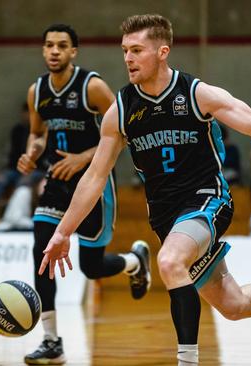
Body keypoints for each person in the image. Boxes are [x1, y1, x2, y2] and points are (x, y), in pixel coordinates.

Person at [37, 15, 251, 365]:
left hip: (207, 199)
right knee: (234, 305)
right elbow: (93, 178)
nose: (128, 58)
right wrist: (63, 232)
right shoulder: (121, 111)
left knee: (168, 261)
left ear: (162, 51)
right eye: (125, 51)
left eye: (137, 50)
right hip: (167, 218)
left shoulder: (196, 94)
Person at [18, 24, 151, 365]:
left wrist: (82, 157)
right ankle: (51, 340)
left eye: (62, 46)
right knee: (42, 250)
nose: (54, 51)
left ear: (73, 51)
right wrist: (32, 152)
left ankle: (136, 262)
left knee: (91, 267)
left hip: (94, 183)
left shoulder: (92, 87)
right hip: (57, 184)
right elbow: (38, 133)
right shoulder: (37, 91)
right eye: (49, 45)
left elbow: (123, 132)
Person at [0, 102, 46, 219]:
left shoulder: (44, 131)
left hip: (37, 169)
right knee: (2, 177)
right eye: (25, 113)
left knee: (24, 181)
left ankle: (14, 213)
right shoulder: (17, 130)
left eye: (30, 114)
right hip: (17, 167)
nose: (27, 116)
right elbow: (11, 153)